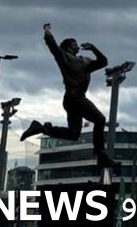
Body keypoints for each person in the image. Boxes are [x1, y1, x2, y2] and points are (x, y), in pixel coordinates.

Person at [21, 23, 117, 167]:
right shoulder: (64, 57)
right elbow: (52, 45)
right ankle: (101, 155)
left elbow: (103, 62)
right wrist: (47, 31)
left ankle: (41, 128)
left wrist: (93, 48)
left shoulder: (85, 61)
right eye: (74, 44)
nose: (77, 46)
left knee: (74, 134)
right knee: (100, 119)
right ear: (68, 47)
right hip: (74, 97)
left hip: (76, 98)